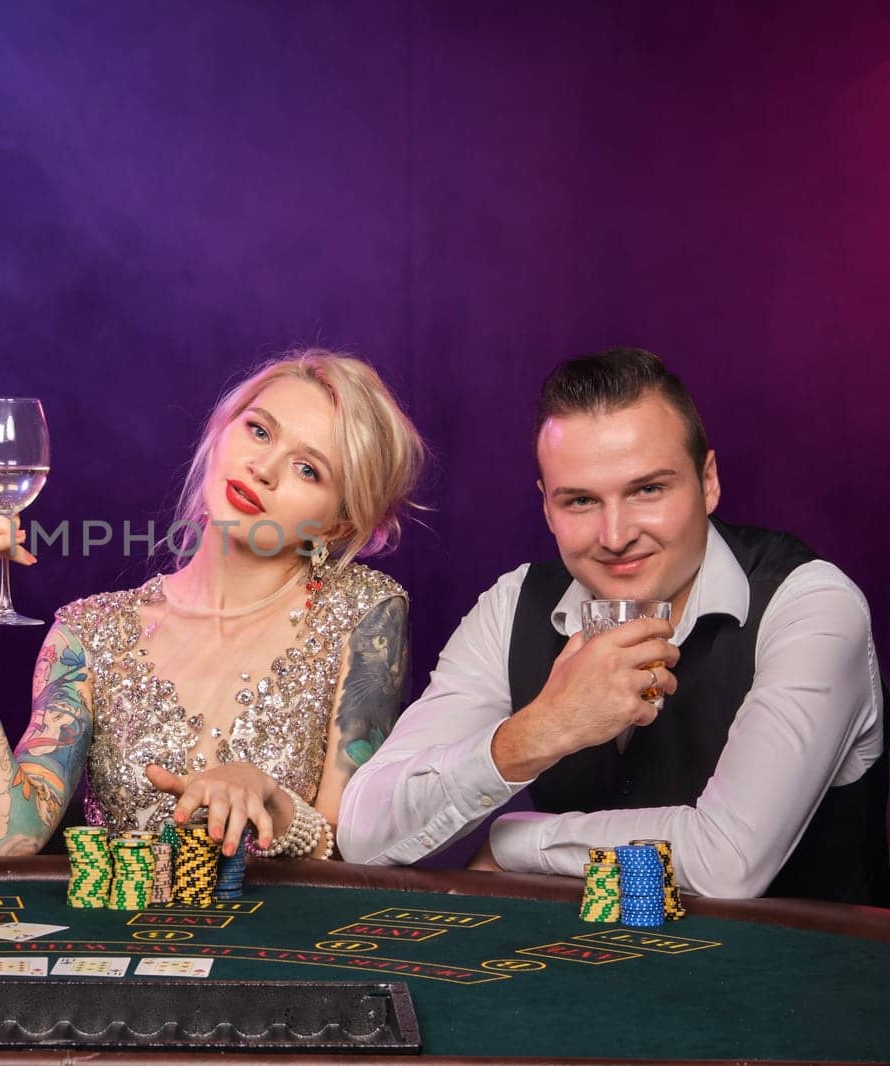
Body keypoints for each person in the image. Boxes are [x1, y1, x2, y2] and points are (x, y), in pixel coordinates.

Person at [339, 348, 888, 902]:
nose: (616, 534)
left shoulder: (811, 604)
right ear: (547, 509)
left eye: (648, 489)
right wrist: (540, 730)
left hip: (794, 979)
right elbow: (364, 833)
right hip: (576, 974)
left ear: (709, 481)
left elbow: (727, 865)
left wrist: (515, 845)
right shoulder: (513, 606)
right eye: (580, 500)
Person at [0, 350, 425, 858]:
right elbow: (7, 840)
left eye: (308, 469)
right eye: (259, 431)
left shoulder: (363, 614)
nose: (264, 469)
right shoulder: (91, 634)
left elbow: (354, 849)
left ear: (337, 525)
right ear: (219, 432)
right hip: (122, 935)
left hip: (279, 935)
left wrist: (273, 801)